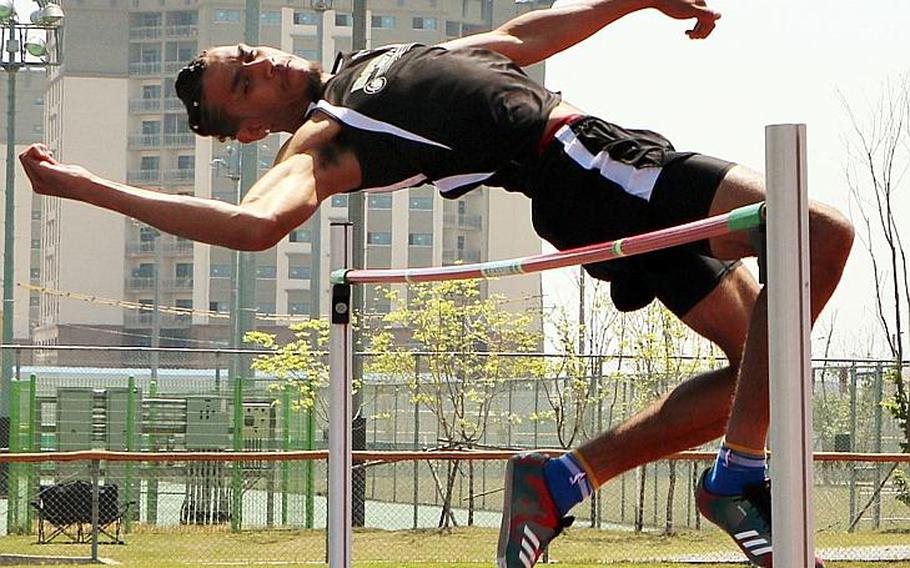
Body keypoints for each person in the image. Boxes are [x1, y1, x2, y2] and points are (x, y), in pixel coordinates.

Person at [19, 1, 852, 566]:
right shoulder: (320, 140)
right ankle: (739, 478)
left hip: (592, 169)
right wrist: (89, 189)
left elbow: (520, 41)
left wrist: (631, 1)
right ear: (249, 122)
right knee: (820, 229)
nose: (262, 63)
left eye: (246, 56)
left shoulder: (376, 64)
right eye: (245, 83)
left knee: (764, 366)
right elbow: (253, 227)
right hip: (584, 166)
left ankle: (561, 480)